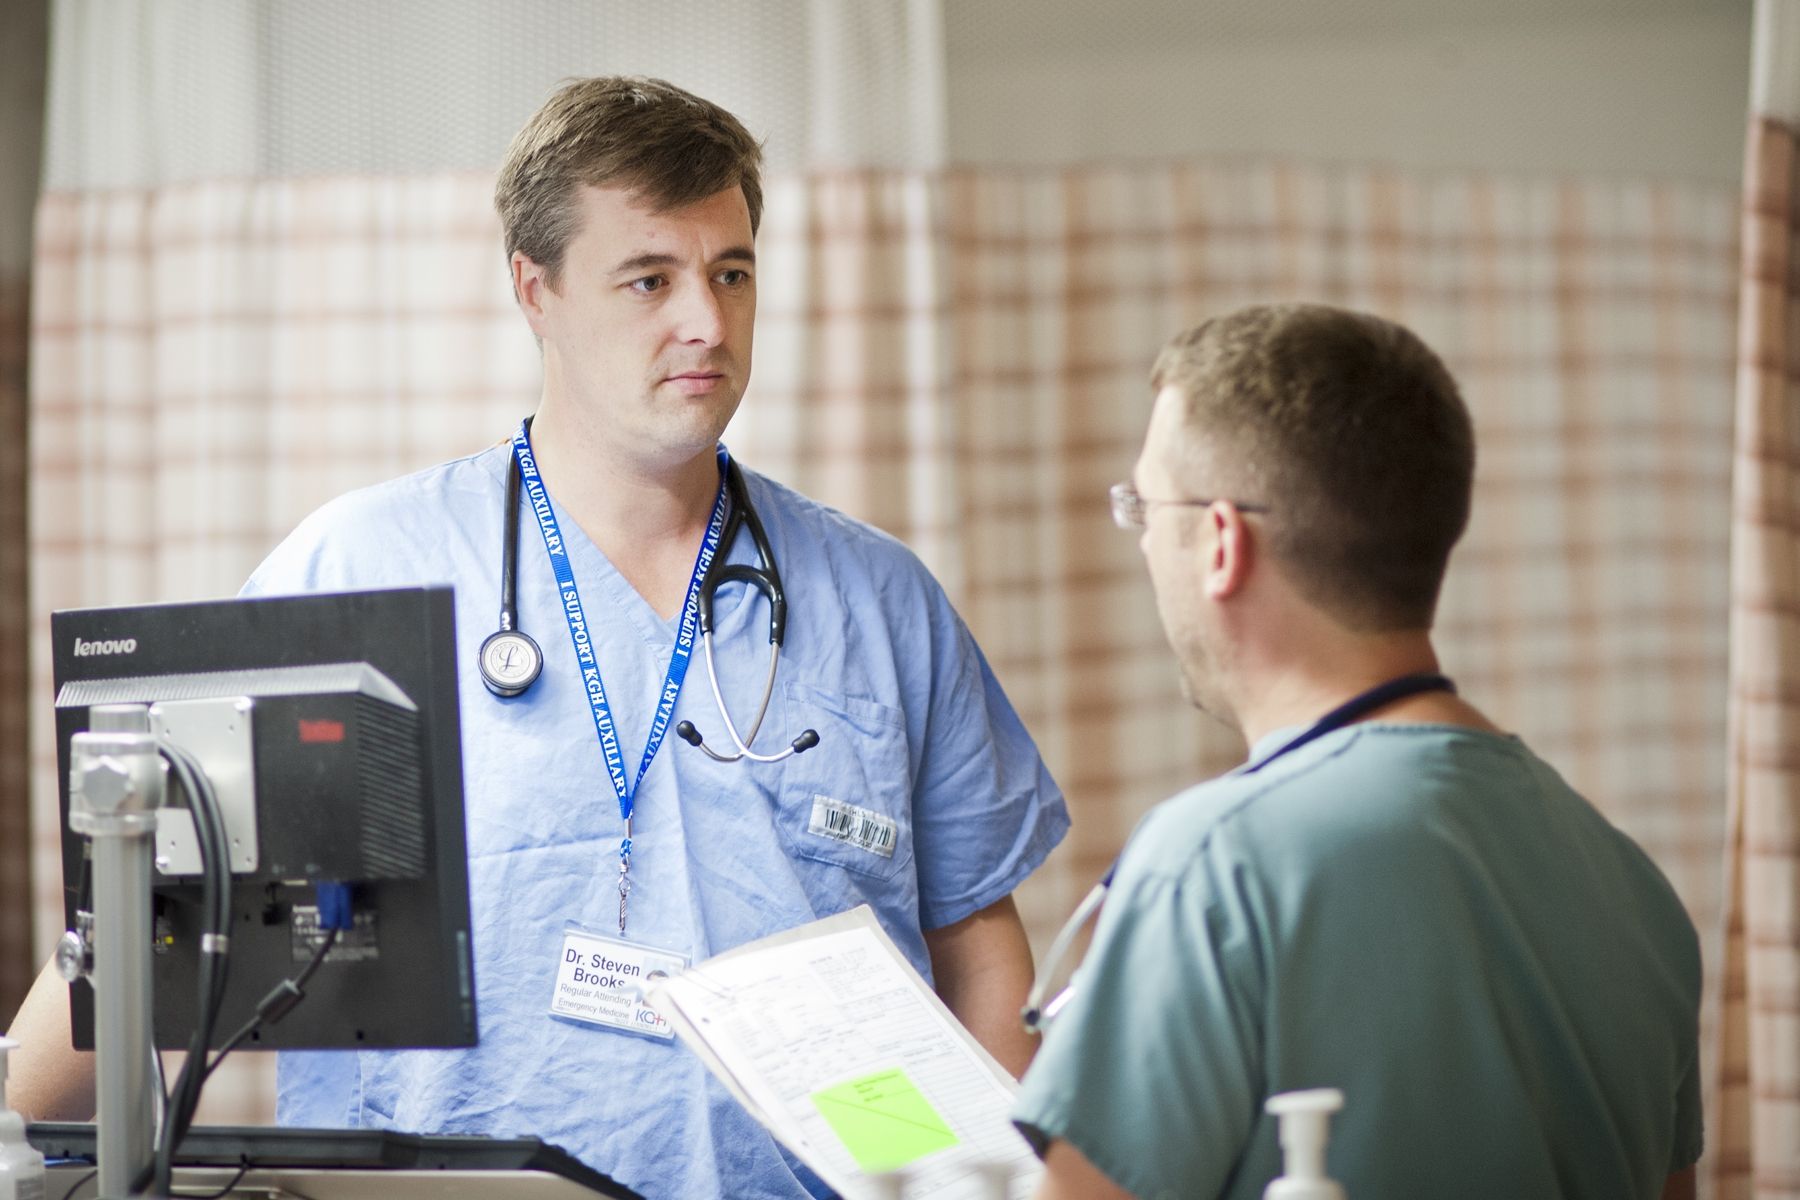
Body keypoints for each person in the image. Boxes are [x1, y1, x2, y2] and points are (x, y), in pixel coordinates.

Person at [6, 76, 1068, 1199]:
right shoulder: (360, 570)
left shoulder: (881, 602)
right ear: (536, 289)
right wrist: (10, 1126)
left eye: (732, 273)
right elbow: (156, 929)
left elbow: (977, 959)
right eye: (649, 279)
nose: (706, 322)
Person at [1012, 304, 1700, 1200]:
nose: (1142, 540)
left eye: (1143, 507)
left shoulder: (1212, 866)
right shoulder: (1632, 887)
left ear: (1221, 542)